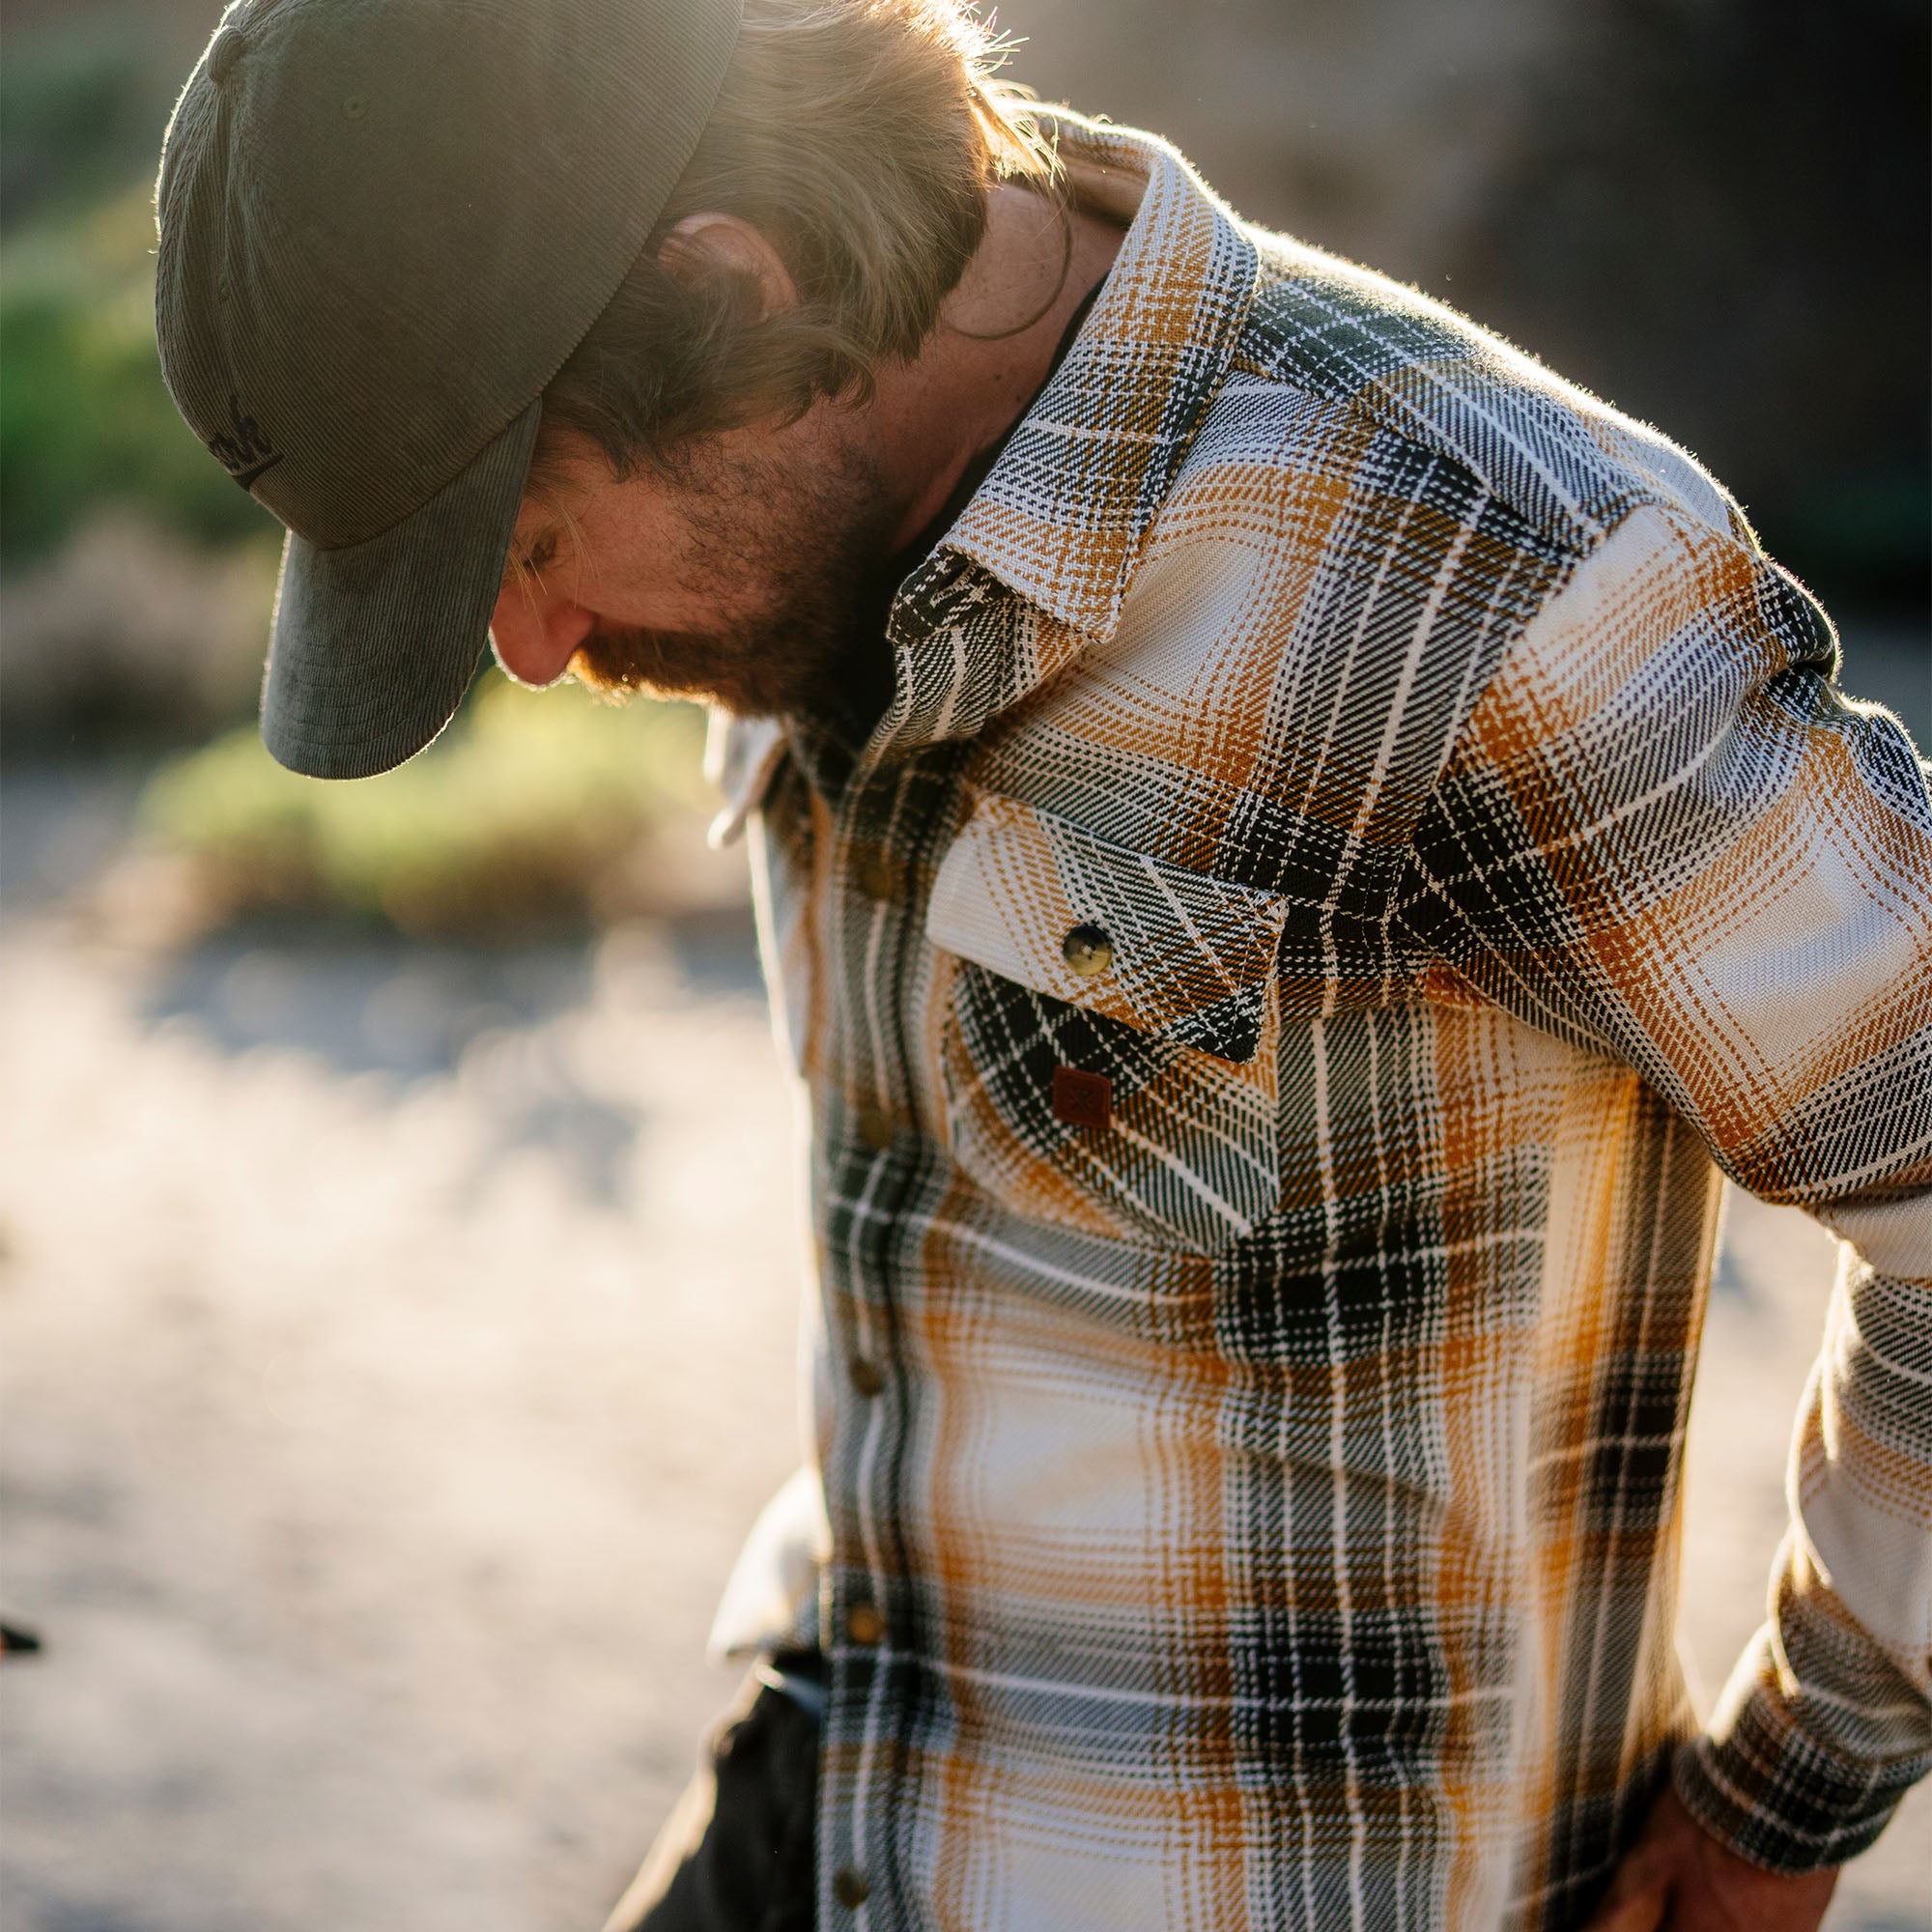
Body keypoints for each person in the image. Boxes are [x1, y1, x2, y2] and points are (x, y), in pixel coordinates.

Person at [152, 1, 1931, 1926]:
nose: (528, 643)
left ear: (737, 296)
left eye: (537, 537)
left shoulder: (1497, 595)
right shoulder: (804, 507)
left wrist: (1784, 1793)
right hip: (829, 1785)